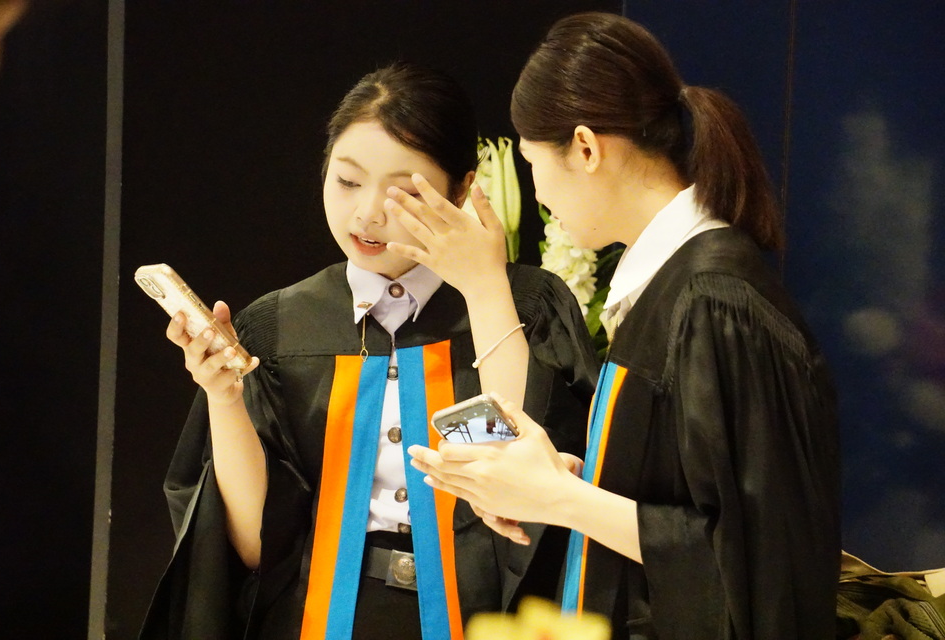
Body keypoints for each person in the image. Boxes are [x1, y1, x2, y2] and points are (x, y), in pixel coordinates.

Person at [407, 12, 842, 640]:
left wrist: (560, 499)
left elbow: (759, 560)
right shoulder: (673, 287)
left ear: (586, 149)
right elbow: (680, 502)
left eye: (532, 163)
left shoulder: (713, 301)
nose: (537, 194)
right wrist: (551, 484)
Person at [138, 62, 598, 640]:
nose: (367, 213)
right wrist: (224, 397)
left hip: (483, 618)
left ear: (461, 189)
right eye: (348, 181)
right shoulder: (280, 327)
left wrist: (485, 288)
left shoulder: (526, 305)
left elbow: (526, 489)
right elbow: (256, 547)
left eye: (402, 191)